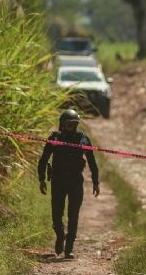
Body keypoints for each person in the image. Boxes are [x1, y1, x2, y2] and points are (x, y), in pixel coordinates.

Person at [38, 109, 100, 259]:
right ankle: (60, 236)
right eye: (69, 124)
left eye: (74, 124)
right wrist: (41, 179)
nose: (71, 127)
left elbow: (92, 162)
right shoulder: (54, 138)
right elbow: (43, 160)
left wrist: (96, 182)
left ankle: (69, 248)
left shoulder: (83, 140)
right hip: (58, 182)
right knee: (56, 215)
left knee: (73, 215)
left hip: (75, 182)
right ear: (62, 124)